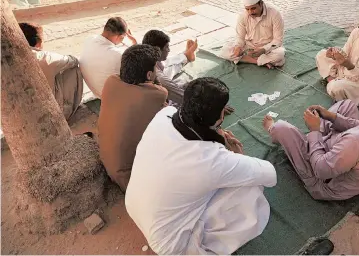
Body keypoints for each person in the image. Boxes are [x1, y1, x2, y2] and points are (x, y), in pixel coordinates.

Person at [126, 77, 277, 254]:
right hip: (171, 245)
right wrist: (237, 155)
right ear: (220, 117)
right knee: (250, 190)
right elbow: (269, 174)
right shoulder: (211, 160)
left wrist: (215, 139)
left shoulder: (162, 116)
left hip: (136, 210)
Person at [262, 73, 359, 201]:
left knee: (281, 128)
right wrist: (331, 116)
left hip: (325, 181)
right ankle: (320, 132)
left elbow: (321, 170)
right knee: (347, 104)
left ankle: (273, 129)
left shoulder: (356, 142)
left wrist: (314, 131)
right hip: (347, 157)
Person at [99, 44, 167, 192]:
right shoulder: (154, 96)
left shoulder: (111, 81)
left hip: (107, 161)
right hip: (130, 179)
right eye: (155, 69)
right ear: (149, 75)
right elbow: (162, 93)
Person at [19, 22, 83, 120]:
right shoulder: (45, 58)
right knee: (73, 69)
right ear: (39, 42)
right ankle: (66, 112)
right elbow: (73, 61)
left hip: (20, 112)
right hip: (46, 113)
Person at [220, 0, 285, 69]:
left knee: (279, 55)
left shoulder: (274, 14)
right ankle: (259, 62)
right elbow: (240, 37)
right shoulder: (243, 16)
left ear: (261, 3)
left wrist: (264, 49)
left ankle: (246, 59)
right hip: (249, 46)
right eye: (247, 9)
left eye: (253, 8)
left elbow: (278, 40)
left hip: (268, 46)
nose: (250, 12)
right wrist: (239, 47)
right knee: (224, 51)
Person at [80, 17, 137, 98]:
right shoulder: (118, 55)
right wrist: (135, 44)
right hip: (112, 99)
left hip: (96, 91)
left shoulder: (89, 39)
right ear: (120, 36)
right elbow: (139, 63)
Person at [142, 29, 197, 105]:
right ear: (158, 51)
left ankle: (186, 56)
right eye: (167, 47)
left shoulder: (144, 55)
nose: (169, 50)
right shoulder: (159, 78)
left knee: (168, 65)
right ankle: (186, 56)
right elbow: (183, 97)